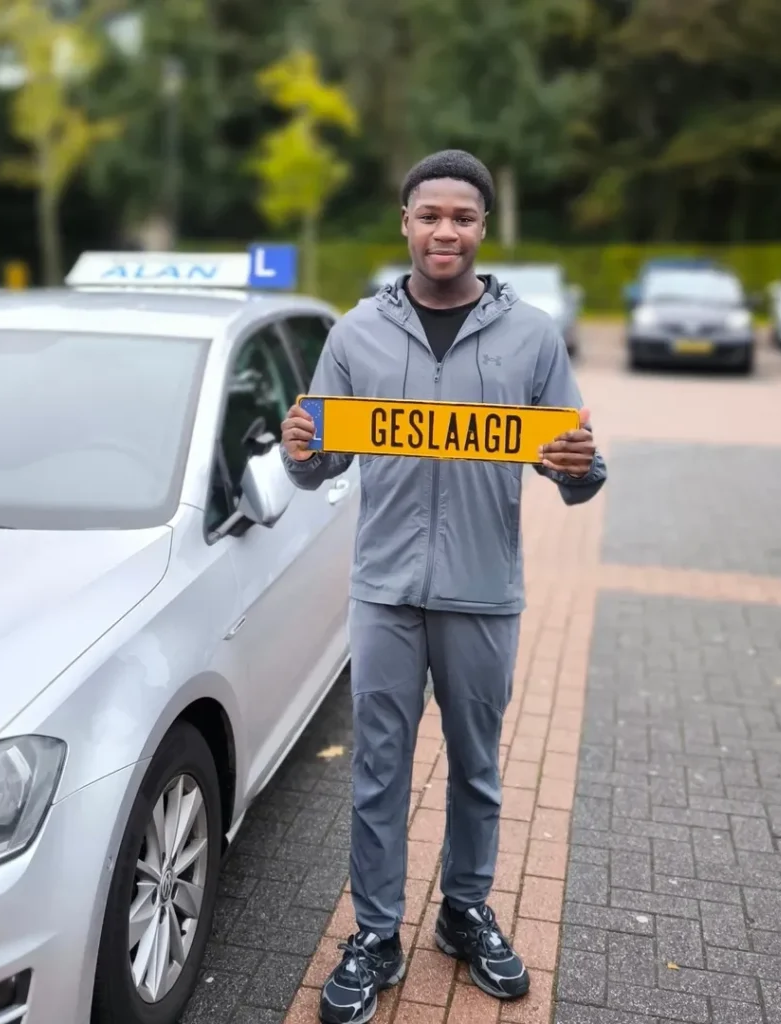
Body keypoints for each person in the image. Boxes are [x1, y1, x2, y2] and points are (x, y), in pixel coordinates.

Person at [280, 149, 607, 1024]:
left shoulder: (532, 336)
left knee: (477, 769)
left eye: (462, 217)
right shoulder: (353, 336)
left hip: (483, 593)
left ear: (482, 229)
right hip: (384, 592)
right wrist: (300, 450)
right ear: (406, 223)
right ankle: (377, 933)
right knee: (379, 771)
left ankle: (464, 914)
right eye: (431, 216)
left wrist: (581, 466)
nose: (445, 231)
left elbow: (575, 467)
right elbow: (320, 465)